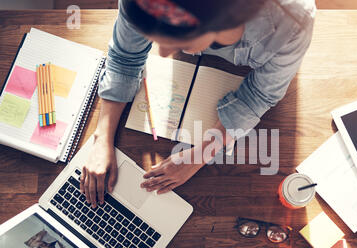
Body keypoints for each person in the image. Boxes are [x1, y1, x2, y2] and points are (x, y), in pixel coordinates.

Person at [81, 0, 316, 207]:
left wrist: (201, 154)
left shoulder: (294, 19)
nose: (162, 54)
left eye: (175, 42)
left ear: (220, 21)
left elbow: (259, 96)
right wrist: (102, 138)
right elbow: (125, 58)